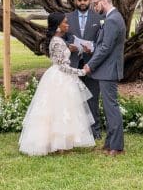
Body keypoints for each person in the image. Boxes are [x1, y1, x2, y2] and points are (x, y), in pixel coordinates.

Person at [18, 12, 97, 156]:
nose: (68, 24)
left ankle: (63, 144)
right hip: (60, 78)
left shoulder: (58, 40)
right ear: (58, 26)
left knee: (64, 110)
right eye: (65, 22)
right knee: (59, 109)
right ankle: (59, 145)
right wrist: (82, 72)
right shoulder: (57, 42)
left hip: (60, 76)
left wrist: (68, 49)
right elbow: (63, 67)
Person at [83, 0, 126, 155]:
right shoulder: (113, 18)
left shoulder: (112, 20)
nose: (94, 7)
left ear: (103, 1)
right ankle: (109, 143)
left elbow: (106, 48)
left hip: (108, 70)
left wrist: (90, 65)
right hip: (107, 70)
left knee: (111, 108)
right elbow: (104, 45)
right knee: (109, 108)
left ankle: (116, 146)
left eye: (95, 3)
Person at [66, 0, 102, 139]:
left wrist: (92, 48)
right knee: (73, 98)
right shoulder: (67, 17)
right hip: (72, 64)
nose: (82, 2)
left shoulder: (99, 18)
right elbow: (60, 38)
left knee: (92, 98)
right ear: (76, 1)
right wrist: (68, 46)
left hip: (91, 64)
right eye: (79, 0)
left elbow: (103, 42)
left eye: (85, 0)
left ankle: (95, 131)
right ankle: (76, 131)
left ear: (90, 1)